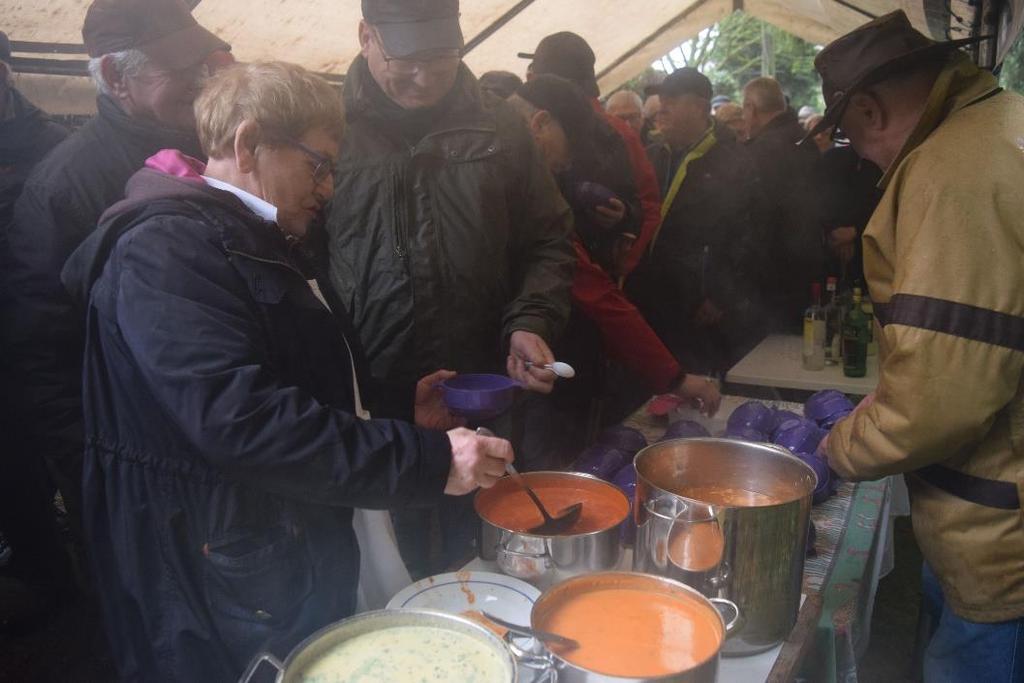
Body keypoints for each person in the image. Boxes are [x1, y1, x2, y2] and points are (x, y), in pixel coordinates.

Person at [60, 60, 514, 682]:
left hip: (263, 537)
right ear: (248, 144)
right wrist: (431, 461)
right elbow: (241, 419)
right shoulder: (166, 250)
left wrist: (388, 407)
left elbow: (285, 374)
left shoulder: (247, 234)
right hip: (211, 560)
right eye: (318, 164)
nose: (327, 186)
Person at [810, 11, 1024, 681]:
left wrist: (840, 446)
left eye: (850, 137)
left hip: (1000, 536)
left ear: (870, 111)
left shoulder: (952, 172)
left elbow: (942, 399)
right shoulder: (1000, 125)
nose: (861, 156)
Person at [326, 0, 574, 573]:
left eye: (443, 56)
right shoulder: (329, 128)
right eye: (408, 58)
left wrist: (530, 321)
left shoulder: (500, 126)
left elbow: (548, 241)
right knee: (388, 570)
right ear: (367, 36)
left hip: (484, 394)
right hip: (373, 408)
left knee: (487, 564)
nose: (427, 76)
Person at [0, 0, 229, 571]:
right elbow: (42, 349)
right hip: (133, 460)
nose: (201, 80)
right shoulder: (65, 188)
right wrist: (94, 474)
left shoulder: (217, 146)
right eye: (179, 68)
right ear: (114, 77)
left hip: (222, 440)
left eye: (204, 63)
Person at [509, 75, 721, 459]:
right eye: (567, 150)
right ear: (540, 123)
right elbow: (594, 292)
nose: (567, 164)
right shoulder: (520, 189)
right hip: (522, 373)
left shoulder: (500, 163)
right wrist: (674, 377)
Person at [0, 29, 72, 621]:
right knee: (12, 468)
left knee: (55, 454)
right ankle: (38, 570)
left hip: (44, 334)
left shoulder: (51, 145)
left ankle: (72, 584)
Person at [628, 67, 763, 375]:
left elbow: (749, 235)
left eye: (671, 103)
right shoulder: (653, 156)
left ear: (700, 107)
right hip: (652, 297)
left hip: (699, 306)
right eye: (662, 102)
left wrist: (720, 296)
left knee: (696, 384)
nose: (662, 110)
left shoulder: (734, 161)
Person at [521, 31, 661, 276]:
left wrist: (625, 224)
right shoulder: (520, 129)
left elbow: (647, 205)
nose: (528, 77)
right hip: (554, 273)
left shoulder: (615, 132)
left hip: (586, 274)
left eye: (534, 72)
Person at [742, 76, 823, 332]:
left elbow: (753, 218)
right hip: (808, 264)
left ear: (751, 109)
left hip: (769, 278)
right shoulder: (805, 140)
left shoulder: (760, 151)